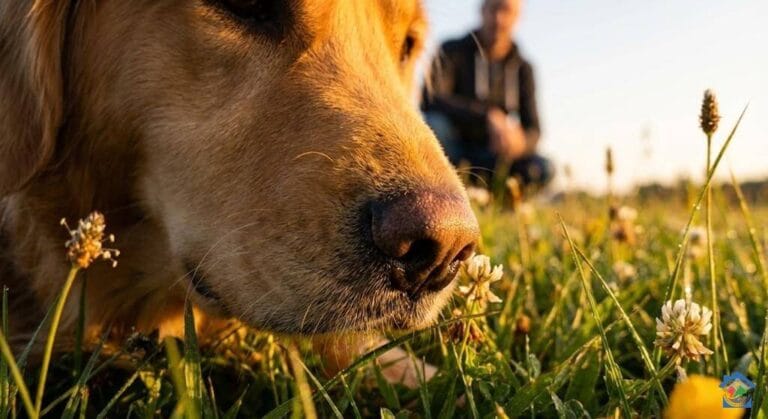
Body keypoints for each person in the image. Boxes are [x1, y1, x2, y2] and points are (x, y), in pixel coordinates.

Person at [422, 0, 553, 191]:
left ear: (518, 17)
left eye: (506, 11)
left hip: (497, 157)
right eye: (493, 9)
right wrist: (487, 116)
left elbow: (534, 129)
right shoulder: (452, 50)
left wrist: (520, 143)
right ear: (482, 10)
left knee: (545, 168)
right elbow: (431, 98)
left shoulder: (523, 68)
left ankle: (502, 197)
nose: (498, 18)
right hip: (456, 150)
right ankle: (448, 189)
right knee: (435, 124)